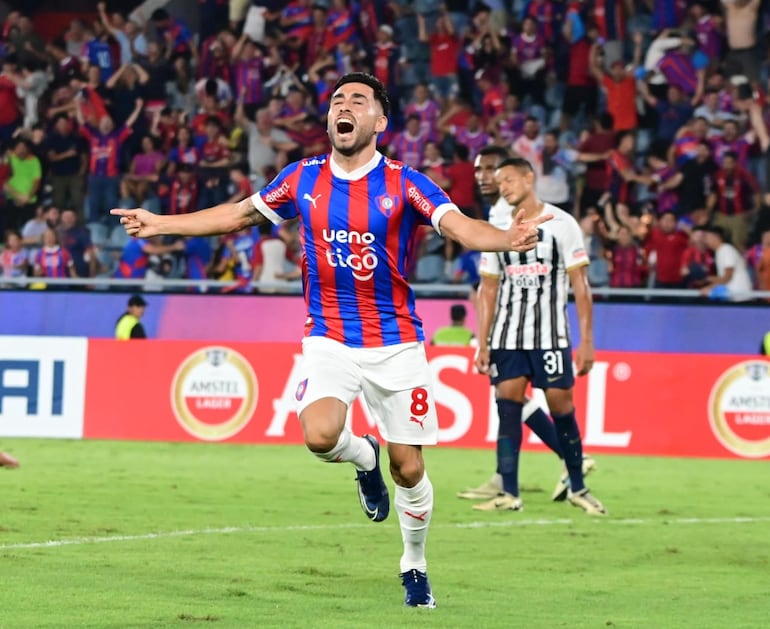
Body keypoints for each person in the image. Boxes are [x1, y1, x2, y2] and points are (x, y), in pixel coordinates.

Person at [112, 72, 551, 609]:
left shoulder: (405, 182)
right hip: (329, 336)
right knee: (320, 436)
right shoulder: (303, 178)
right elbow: (240, 215)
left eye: (357, 100)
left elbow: (459, 227)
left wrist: (506, 238)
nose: (344, 106)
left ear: (379, 122)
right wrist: (161, 224)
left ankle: (414, 562)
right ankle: (362, 458)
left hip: (395, 342)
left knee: (409, 467)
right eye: (338, 100)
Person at [458, 146, 596, 505]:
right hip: (508, 333)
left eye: (496, 172)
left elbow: (580, 282)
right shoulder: (496, 218)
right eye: (483, 172)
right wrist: (484, 341)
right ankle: (507, 484)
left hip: (548, 334)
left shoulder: (552, 222)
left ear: (526, 178)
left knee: (549, 405)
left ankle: (573, 468)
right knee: (508, 403)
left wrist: (587, 340)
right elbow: (488, 283)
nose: (487, 179)